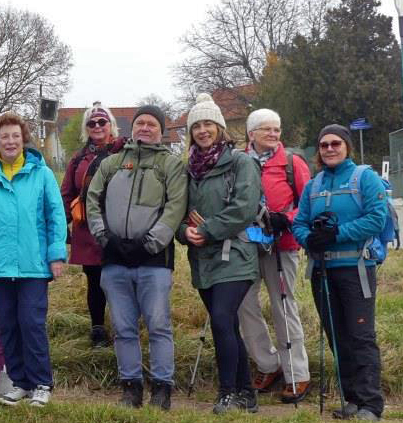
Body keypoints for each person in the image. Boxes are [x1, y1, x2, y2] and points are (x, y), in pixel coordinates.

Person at [85, 104, 187, 410]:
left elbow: (176, 206)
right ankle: (130, 386)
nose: (145, 128)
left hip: (153, 261)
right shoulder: (112, 163)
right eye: (140, 123)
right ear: (132, 128)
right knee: (123, 327)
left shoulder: (170, 165)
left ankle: (162, 387)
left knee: (158, 325)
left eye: (151, 124)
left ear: (161, 130)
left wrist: (151, 243)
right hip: (114, 260)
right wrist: (105, 238)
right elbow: (92, 199)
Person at [0, 112, 66, 407]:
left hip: (33, 265)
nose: (10, 141)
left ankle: (41, 382)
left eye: (15, 136)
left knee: (31, 323)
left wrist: (56, 254)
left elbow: (55, 216)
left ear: (23, 140)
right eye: (4, 137)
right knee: (7, 325)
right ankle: (20, 382)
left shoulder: (42, 173)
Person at [292, 124, 387, 422]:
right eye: (324, 145)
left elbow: (376, 218)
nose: (330, 148)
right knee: (337, 337)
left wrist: (338, 234)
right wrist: (310, 239)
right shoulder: (314, 184)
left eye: (335, 143)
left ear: (346, 146)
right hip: (322, 271)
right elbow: (299, 223)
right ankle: (352, 399)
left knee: (360, 336)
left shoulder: (365, 177)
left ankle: (371, 404)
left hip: (356, 270)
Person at [175, 94, 262, 414]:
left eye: (208, 123)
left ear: (220, 127)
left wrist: (207, 229)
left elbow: (244, 209)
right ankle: (247, 393)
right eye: (196, 125)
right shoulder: (188, 170)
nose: (202, 130)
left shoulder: (241, 162)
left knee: (222, 320)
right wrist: (185, 232)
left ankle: (226, 393)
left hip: (236, 256)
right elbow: (178, 214)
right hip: (202, 260)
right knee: (225, 325)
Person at [238, 108, 313, 403]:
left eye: (277, 130)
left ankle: (296, 372)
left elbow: (308, 205)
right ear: (251, 133)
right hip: (246, 245)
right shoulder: (239, 162)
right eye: (266, 129)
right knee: (244, 304)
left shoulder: (292, 164)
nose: (273, 134)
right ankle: (268, 364)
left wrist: (288, 218)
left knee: (284, 306)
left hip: (282, 245)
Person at [60, 102, 127, 348]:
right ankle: (98, 328)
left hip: (120, 226)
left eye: (102, 122)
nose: (97, 126)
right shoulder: (78, 159)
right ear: (86, 128)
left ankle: (125, 327)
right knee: (95, 281)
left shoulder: (125, 151)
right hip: (88, 230)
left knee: (121, 279)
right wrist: (61, 225)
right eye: (92, 123)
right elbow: (67, 193)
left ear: (111, 125)